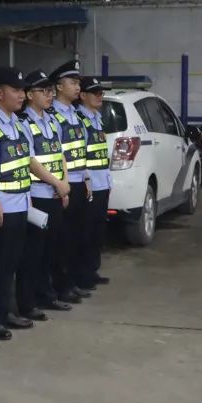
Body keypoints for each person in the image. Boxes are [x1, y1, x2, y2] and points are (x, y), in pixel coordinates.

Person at [16, 69, 72, 318]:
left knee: (51, 249)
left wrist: (64, 184)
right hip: (37, 196)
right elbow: (31, 162)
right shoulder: (24, 123)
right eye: (44, 91)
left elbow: (60, 155)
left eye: (51, 90)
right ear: (29, 94)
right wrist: (57, 183)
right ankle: (28, 303)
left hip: (55, 194)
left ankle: (47, 295)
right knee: (33, 253)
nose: (50, 95)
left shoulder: (51, 120)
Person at [48, 57, 92, 305]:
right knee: (61, 240)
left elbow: (80, 151)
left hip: (78, 181)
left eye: (78, 83)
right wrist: (61, 185)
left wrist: (86, 179)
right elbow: (55, 154)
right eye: (72, 82)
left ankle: (72, 282)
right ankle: (60, 286)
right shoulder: (52, 115)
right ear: (59, 86)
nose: (77, 87)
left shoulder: (76, 114)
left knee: (76, 236)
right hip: (61, 185)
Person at [75, 75, 113, 291]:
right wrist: (87, 179)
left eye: (101, 93)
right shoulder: (79, 119)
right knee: (85, 231)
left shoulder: (97, 118)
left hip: (102, 182)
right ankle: (82, 274)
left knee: (98, 230)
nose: (100, 96)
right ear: (83, 95)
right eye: (95, 93)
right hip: (89, 184)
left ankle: (92, 270)